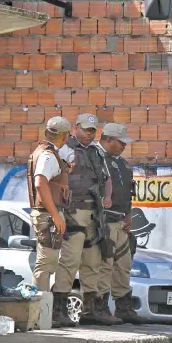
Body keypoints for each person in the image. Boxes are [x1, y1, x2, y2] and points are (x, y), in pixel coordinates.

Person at [55, 113, 120, 326]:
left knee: (93, 262)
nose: (89, 134)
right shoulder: (65, 150)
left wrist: (108, 197)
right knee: (70, 261)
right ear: (75, 128)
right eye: (86, 129)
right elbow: (53, 180)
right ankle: (58, 310)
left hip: (95, 213)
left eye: (93, 131)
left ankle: (90, 309)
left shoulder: (96, 153)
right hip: (74, 213)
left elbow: (106, 178)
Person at [95, 123, 150, 324]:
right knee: (105, 266)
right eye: (121, 142)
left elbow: (127, 193)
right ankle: (99, 307)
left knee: (123, 265)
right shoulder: (95, 158)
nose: (124, 146)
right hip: (104, 220)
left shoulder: (123, 164)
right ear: (108, 139)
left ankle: (123, 307)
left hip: (121, 220)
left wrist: (128, 215)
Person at [27, 116, 71, 328]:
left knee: (46, 264)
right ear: (64, 136)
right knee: (45, 266)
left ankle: (40, 317)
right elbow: (40, 182)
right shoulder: (48, 155)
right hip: (47, 215)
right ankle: (39, 317)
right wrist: (55, 214)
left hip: (45, 213)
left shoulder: (43, 152)